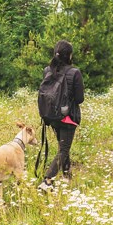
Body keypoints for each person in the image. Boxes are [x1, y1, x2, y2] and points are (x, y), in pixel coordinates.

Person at [38, 40, 84, 191]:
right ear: (69, 55)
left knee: (63, 145)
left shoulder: (47, 70)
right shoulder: (74, 72)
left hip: (52, 116)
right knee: (63, 149)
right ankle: (47, 181)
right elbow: (79, 99)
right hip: (67, 117)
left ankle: (67, 175)